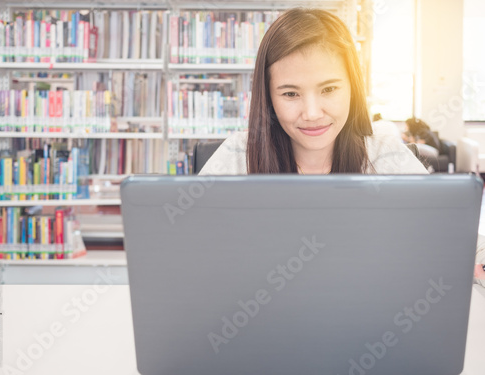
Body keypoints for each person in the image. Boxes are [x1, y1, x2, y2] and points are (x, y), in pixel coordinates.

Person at [197, 8, 485, 282]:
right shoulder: (236, 157)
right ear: (269, 98)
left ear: (352, 88)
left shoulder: (387, 158)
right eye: (290, 94)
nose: (311, 113)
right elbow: (187, 250)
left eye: (329, 89)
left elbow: (456, 242)